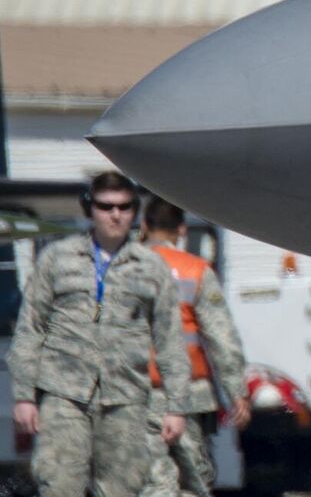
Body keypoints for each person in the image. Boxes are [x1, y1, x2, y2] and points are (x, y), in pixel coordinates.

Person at [9, 172, 191, 497]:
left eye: (123, 207)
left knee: (122, 489)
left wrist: (176, 407)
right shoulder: (57, 259)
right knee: (59, 487)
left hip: (125, 399)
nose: (115, 215)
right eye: (105, 206)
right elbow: (30, 327)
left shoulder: (151, 268)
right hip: (64, 395)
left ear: (135, 212)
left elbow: (169, 340)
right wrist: (24, 395)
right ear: (90, 209)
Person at [139, 197, 250, 497]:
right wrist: (237, 391)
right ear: (182, 230)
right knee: (194, 482)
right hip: (189, 398)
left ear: (144, 226)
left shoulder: (124, 269)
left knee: (151, 480)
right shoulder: (196, 270)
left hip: (139, 396)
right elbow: (220, 336)